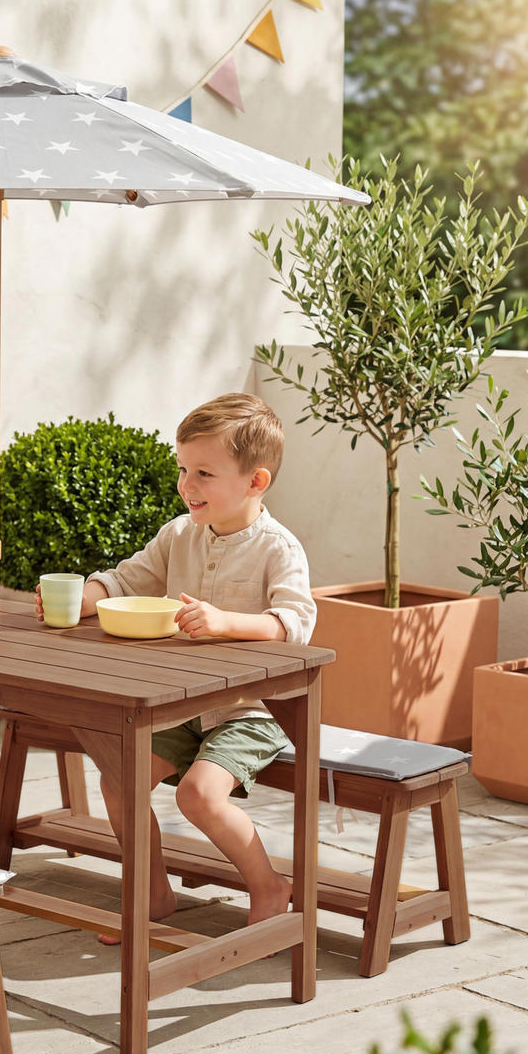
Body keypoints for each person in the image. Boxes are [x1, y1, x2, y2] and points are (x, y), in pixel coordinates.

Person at [35, 392, 315, 939]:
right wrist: (88, 597)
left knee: (197, 796)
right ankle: (153, 892)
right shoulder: (177, 534)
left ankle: (268, 886)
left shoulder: (279, 549)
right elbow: (127, 577)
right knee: (119, 778)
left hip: (248, 710)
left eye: (204, 473)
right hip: (180, 706)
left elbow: (295, 622)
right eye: (183, 469)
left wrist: (227, 622)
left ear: (255, 482)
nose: (187, 485)